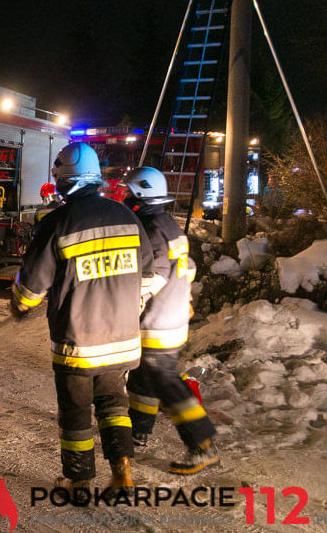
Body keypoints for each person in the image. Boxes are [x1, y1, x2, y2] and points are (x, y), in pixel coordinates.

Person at [11, 142, 154, 497]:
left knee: (75, 414)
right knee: (113, 405)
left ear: (65, 179)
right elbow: (148, 278)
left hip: (79, 344)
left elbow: (32, 287)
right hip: (122, 339)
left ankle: (79, 483)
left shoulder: (58, 222)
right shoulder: (127, 216)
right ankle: (122, 472)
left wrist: (19, 304)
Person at [121, 167, 219, 474]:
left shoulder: (148, 229)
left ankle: (202, 445)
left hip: (157, 320)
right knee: (141, 377)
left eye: (129, 193)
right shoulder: (169, 224)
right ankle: (139, 432)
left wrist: (126, 304)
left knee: (165, 380)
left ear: (139, 197)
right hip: (171, 314)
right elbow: (187, 267)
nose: (124, 198)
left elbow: (153, 276)